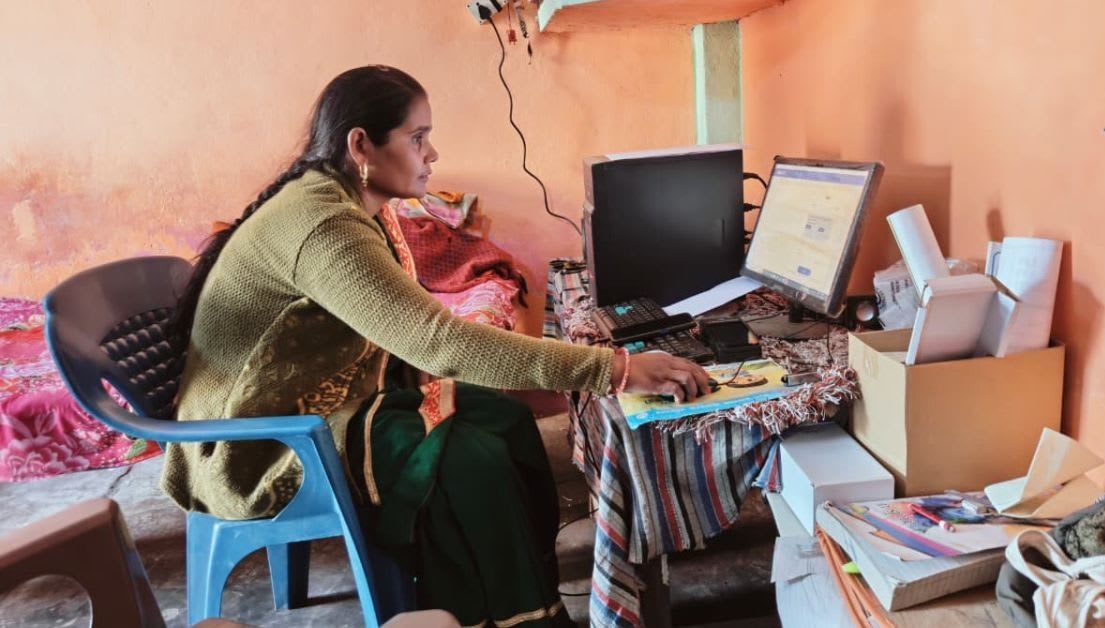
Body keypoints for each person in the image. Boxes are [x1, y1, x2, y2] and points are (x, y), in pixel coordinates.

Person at [163, 65, 709, 627]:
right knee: (468, 459)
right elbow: (438, 343)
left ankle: (527, 599)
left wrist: (579, 374)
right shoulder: (323, 223)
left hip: (314, 404)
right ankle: (490, 616)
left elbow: (418, 335)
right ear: (361, 146)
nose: (433, 153)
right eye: (417, 137)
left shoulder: (351, 206)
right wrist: (614, 369)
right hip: (256, 441)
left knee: (504, 420)